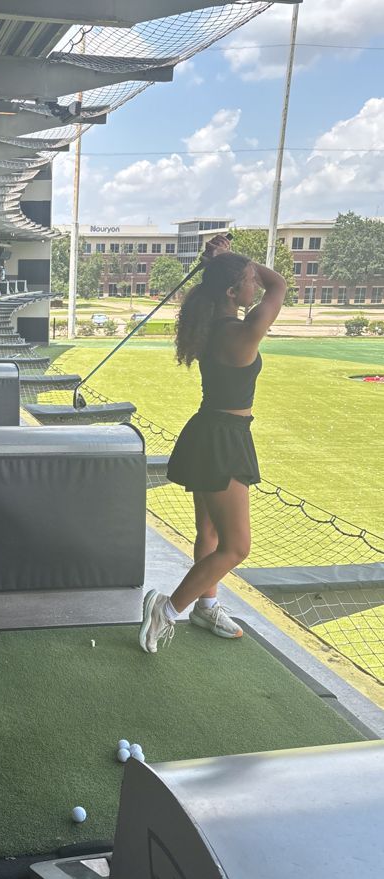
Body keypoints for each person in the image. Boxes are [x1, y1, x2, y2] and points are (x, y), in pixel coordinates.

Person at [138, 235, 286, 653]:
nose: (255, 284)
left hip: (207, 432)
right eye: (248, 280)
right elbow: (278, 286)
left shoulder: (214, 328)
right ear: (232, 292)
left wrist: (225, 263)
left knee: (209, 533)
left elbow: (263, 285)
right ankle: (167, 609)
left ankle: (206, 605)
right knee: (236, 546)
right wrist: (230, 259)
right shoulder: (243, 333)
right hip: (224, 439)